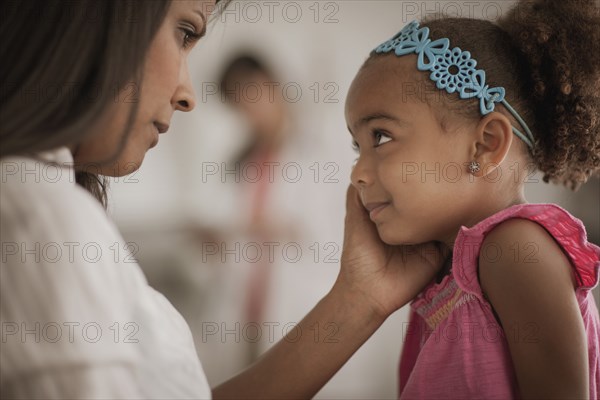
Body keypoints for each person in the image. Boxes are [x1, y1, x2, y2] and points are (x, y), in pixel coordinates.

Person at [0, 1, 448, 398]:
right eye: (183, 34)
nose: (188, 96)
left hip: (298, 306)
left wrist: (359, 297)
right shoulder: (46, 217)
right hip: (247, 312)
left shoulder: (325, 152)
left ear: (274, 86)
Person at [345, 0, 600, 398]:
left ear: (485, 144)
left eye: (380, 136)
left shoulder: (514, 249)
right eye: (356, 147)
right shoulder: (449, 269)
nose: (357, 172)